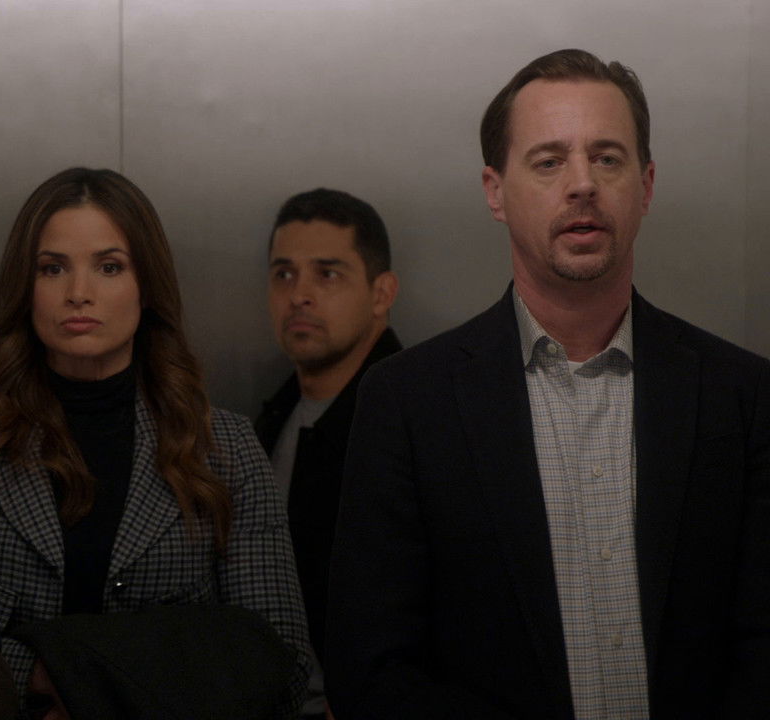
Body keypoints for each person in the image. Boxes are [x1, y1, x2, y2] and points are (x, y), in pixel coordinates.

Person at [325, 48, 770, 719]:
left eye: (608, 158)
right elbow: (370, 670)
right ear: (494, 191)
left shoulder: (743, 397)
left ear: (647, 185)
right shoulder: (408, 404)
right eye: (549, 161)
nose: (583, 183)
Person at [0, 167, 312, 717]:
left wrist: (69, 678)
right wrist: (47, 677)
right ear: (24, 288)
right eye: (53, 268)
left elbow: (281, 661)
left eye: (109, 267)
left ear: (146, 285)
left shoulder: (224, 449)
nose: (78, 294)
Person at [254, 188, 399, 719]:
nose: (299, 295)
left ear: (382, 293)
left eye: (328, 274)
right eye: (284, 274)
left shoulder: (417, 419)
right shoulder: (269, 419)